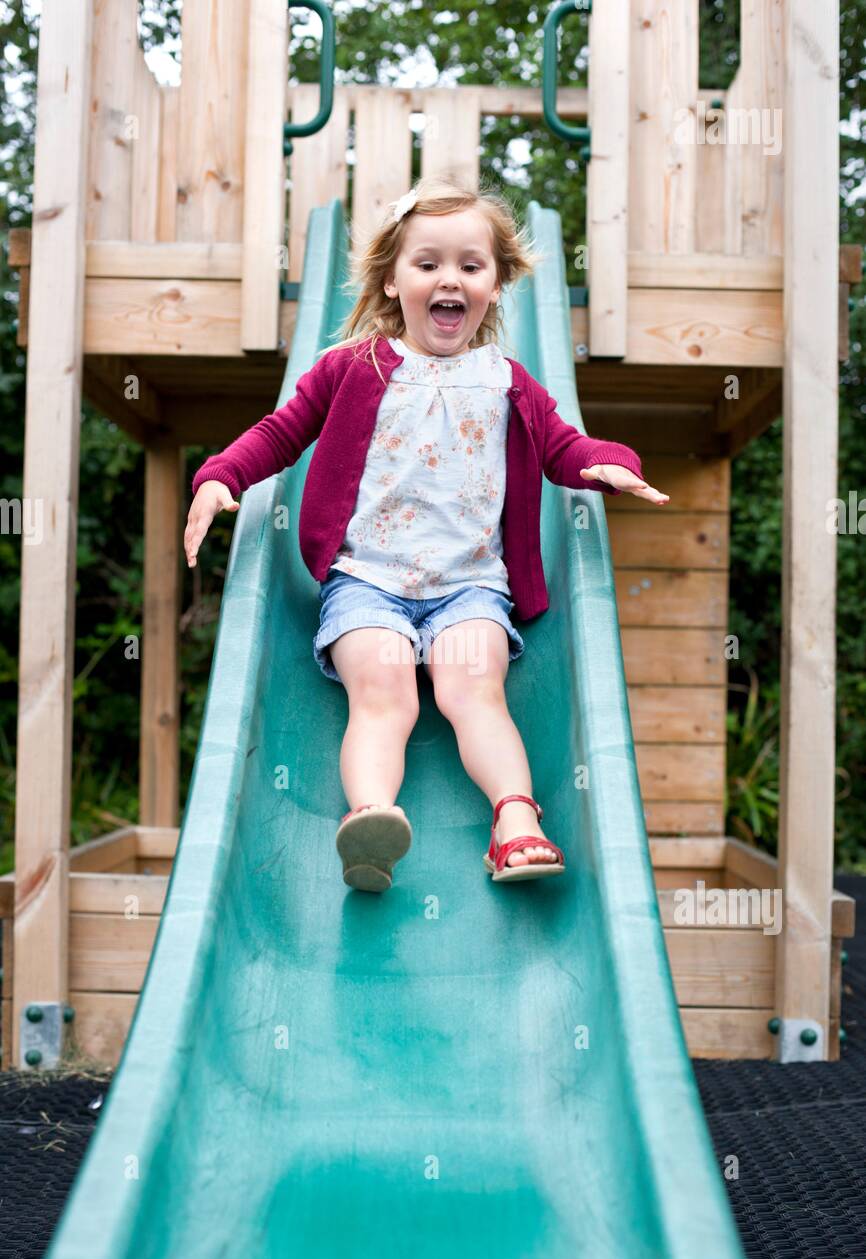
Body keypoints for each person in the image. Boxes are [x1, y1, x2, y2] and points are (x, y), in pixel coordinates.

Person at [184, 176, 669, 893]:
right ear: (392, 279)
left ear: (497, 284)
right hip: (367, 582)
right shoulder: (356, 367)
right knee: (385, 693)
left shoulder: (508, 381)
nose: (451, 279)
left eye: (471, 266)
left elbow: (563, 446)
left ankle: (515, 822)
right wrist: (223, 477)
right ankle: (372, 821)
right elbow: (283, 432)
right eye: (429, 263)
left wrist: (611, 465)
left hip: (469, 588)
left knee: (476, 691)